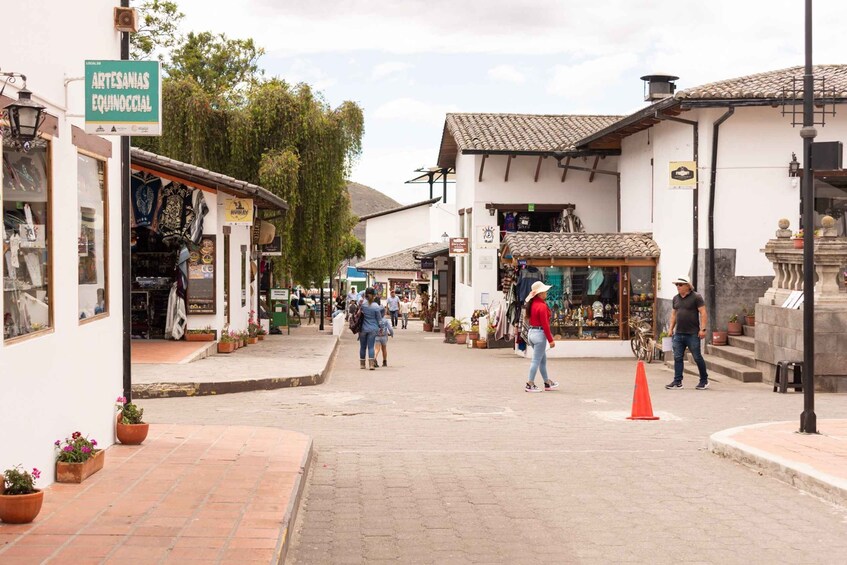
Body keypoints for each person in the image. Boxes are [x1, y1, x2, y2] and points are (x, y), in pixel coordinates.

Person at [666, 275, 709, 390]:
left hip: (692, 334)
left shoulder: (696, 297)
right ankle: (677, 381)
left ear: (688, 286)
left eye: (680, 285)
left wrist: (703, 329)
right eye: (676, 285)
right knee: (678, 357)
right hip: (679, 333)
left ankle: (704, 380)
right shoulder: (675, 298)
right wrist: (670, 329)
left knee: (697, 357)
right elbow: (673, 314)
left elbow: (703, 313)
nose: (678, 287)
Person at [523, 281, 559, 392]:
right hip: (539, 335)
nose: (546, 293)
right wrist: (551, 340)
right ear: (540, 293)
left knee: (542, 360)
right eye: (545, 291)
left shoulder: (532, 304)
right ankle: (530, 383)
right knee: (536, 361)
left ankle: (547, 382)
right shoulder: (542, 306)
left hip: (531, 333)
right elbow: (545, 325)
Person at [358, 288, 384, 370]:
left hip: (362, 329)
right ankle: (371, 365)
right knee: (371, 347)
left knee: (362, 347)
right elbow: (379, 319)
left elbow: (358, 315)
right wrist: (381, 328)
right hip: (373, 329)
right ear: (373, 295)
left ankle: (362, 364)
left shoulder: (362, 304)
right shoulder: (376, 306)